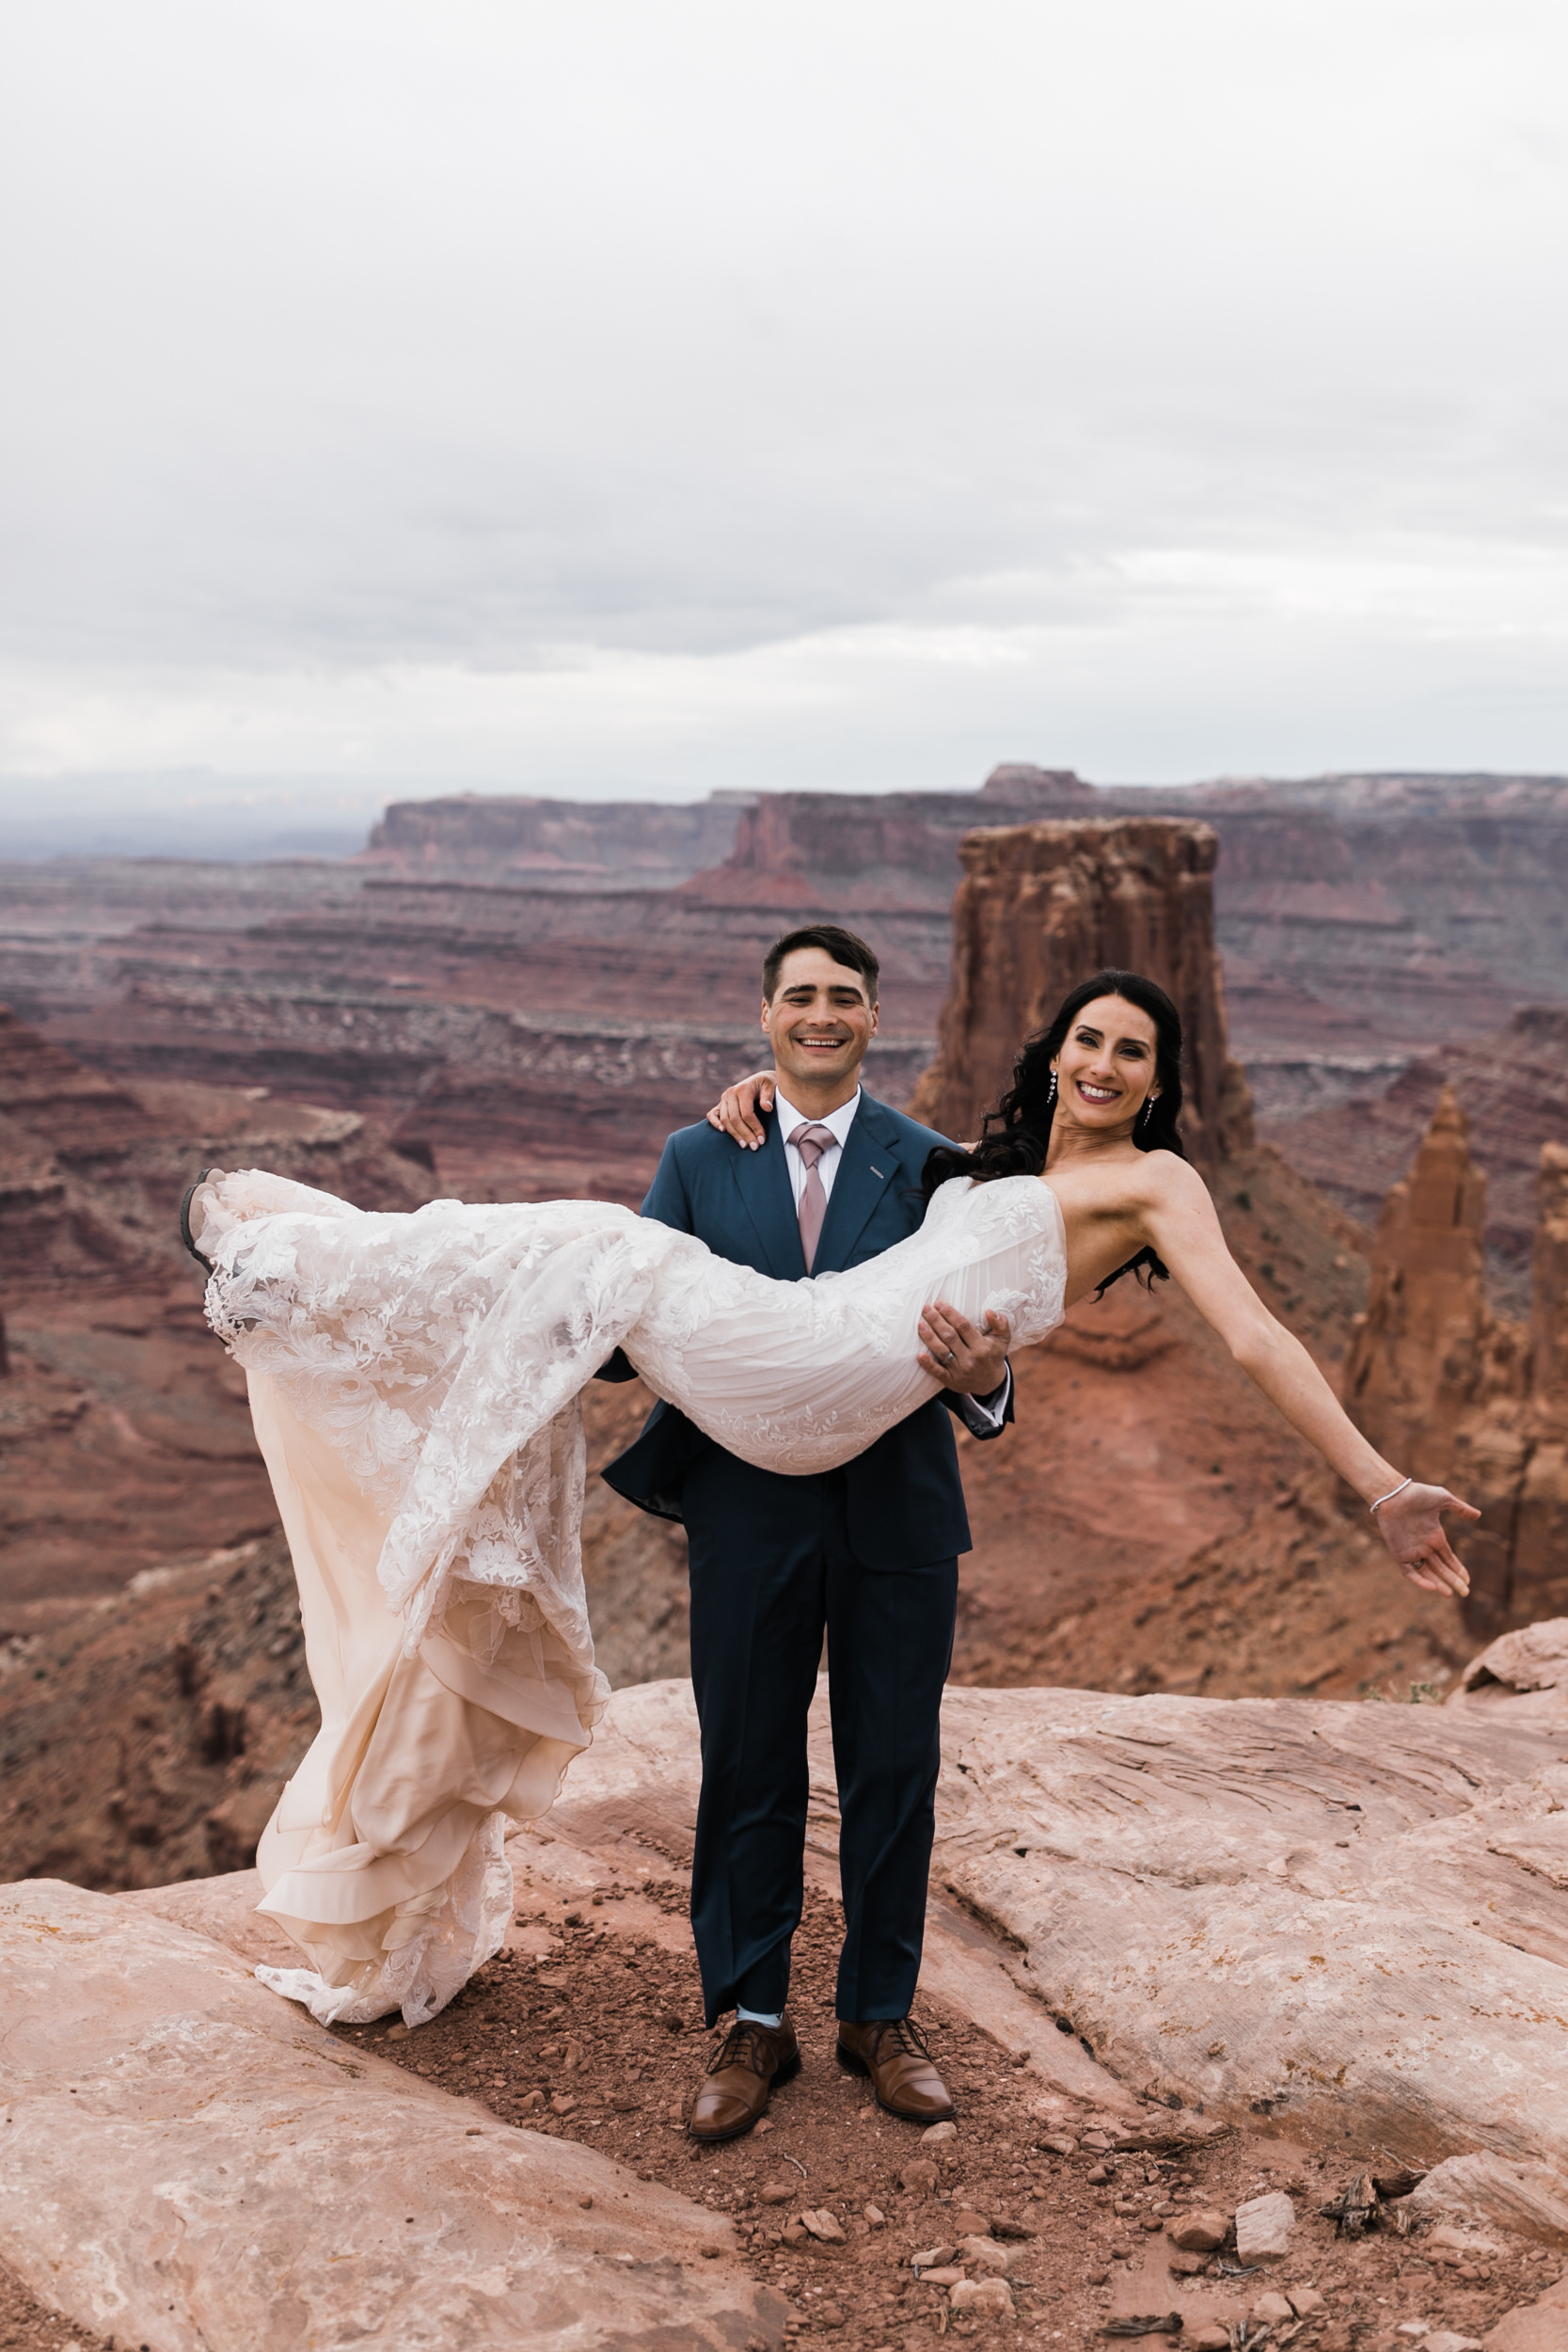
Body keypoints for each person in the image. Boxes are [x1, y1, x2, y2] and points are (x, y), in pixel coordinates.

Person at [179, 967, 1474, 2075]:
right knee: (597, 1251)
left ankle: (289, 1271)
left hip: (826, 1380)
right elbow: (848, 1146)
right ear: (1056, 1051)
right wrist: (758, 1102)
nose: (1104, 1062)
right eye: (1087, 1037)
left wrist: (1379, 1485)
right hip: (808, 1364)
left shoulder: (1160, 1182)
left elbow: (1252, 1335)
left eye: (1131, 1051)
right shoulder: (978, 1157)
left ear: (1157, 1080)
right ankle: (313, 1287)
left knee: (602, 1248)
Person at [595, 924, 1015, 2140]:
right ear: (765, 1016)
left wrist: (989, 1376)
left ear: (875, 1018)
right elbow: (641, 1325)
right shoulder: (696, 1154)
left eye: (844, 998)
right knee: (749, 1765)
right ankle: (754, 2022)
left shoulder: (937, 1166)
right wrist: (594, 1329)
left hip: (898, 1513)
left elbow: (986, 1346)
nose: (821, 1015)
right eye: (799, 998)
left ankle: (879, 2016)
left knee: (894, 1769)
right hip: (745, 1509)